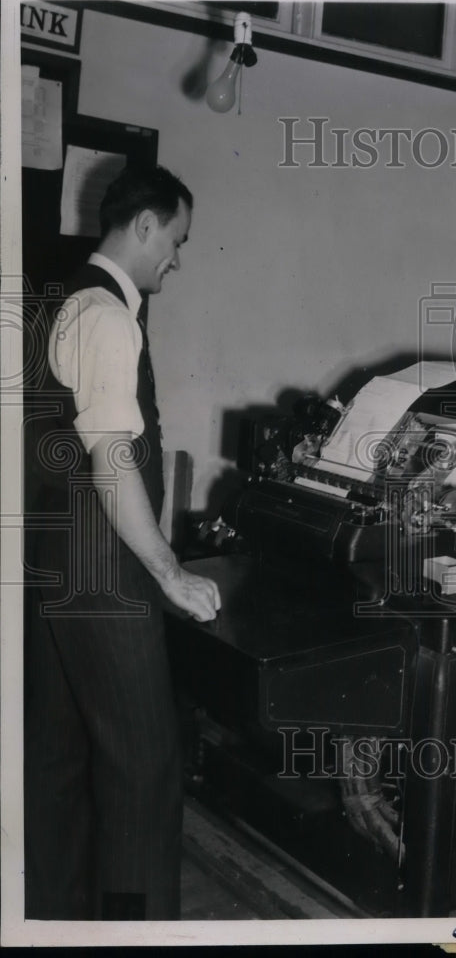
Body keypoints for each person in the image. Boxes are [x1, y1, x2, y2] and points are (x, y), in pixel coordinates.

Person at [24, 164, 220, 920]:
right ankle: (138, 936)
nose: (178, 257)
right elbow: (111, 456)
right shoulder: (107, 315)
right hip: (104, 568)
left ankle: (52, 923)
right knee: (144, 769)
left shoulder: (62, 297)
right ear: (145, 226)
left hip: (56, 564)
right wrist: (169, 572)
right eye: (177, 239)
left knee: (59, 760)